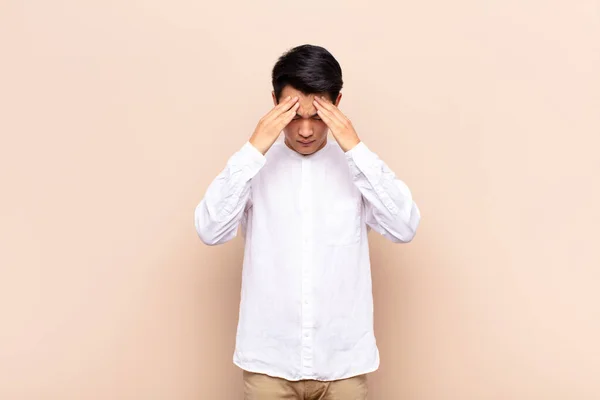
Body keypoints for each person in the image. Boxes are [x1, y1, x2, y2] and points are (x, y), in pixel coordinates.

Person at [194, 44, 421, 400]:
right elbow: (210, 230)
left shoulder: (356, 168)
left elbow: (404, 227)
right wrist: (254, 149)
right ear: (274, 102)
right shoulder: (254, 167)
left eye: (317, 116)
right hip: (269, 363)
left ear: (337, 104)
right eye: (292, 115)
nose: (304, 130)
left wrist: (355, 148)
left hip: (343, 364)